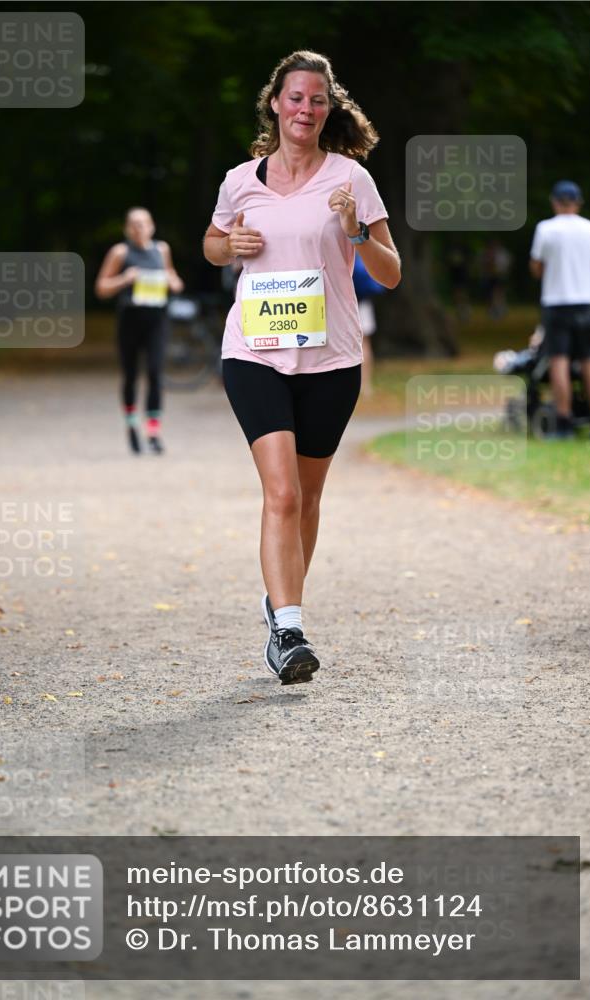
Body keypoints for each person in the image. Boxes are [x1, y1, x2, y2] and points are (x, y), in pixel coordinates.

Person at [203, 50, 400, 684]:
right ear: (275, 103)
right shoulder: (241, 179)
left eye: (317, 100)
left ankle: (279, 603)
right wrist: (227, 244)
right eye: (295, 98)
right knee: (281, 492)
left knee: (308, 499)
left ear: (328, 108)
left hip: (330, 357)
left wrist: (356, 231)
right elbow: (211, 244)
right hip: (254, 353)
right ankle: (288, 628)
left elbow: (391, 275)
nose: (305, 109)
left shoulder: (350, 180)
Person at [95, 207, 184, 454]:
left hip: (157, 320)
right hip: (130, 321)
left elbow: (174, 278)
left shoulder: (161, 249)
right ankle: (132, 426)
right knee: (131, 375)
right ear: (127, 228)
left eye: (144, 223)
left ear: (152, 226)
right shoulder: (120, 252)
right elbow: (101, 287)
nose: (139, 228)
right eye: (134, 224)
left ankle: (153, 432)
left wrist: (173, 282)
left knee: (156, 374)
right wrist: (124, 279)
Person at [529, 180, 590, 440]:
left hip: (556, 302)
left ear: (555, 202)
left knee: (559, 361)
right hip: (584, 301)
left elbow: (537, 267)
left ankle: (563, 422)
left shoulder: (546, 229)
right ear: (578, 203)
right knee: (588, 362)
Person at [352, 253, 385, 396]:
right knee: (365, 344)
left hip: (342, 302)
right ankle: (366, 386)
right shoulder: (359, 250)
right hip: (363, 304)